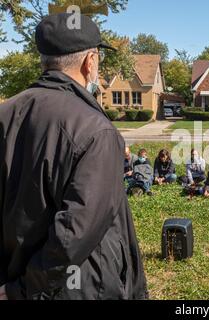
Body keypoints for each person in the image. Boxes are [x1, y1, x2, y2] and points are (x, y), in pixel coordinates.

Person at [0, 13, 147, 300]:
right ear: (89, 61)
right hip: (80, 288)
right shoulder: (97, 131)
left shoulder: (5, 114)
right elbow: (75, 232)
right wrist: (24, 290)